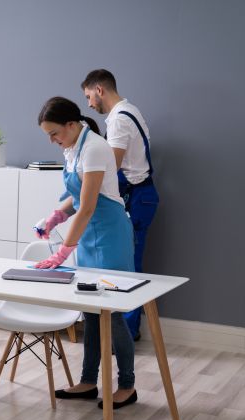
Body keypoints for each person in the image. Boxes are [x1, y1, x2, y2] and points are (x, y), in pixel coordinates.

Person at [35, 96, 137, 409]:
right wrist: (56, 216)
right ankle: (88, 381)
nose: (52, 140)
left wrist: (64, 250)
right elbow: (78, 196)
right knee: (91, 313)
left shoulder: (94, 147)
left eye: (54, 133)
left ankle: (128, 385)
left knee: (113, 315)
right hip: (90, 233)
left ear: (71, 124)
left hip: (110, 235)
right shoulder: (72, 148)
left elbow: (90, 205)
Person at [81, 69, 158, 341]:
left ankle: (125, 334)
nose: (89, 104)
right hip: (139, 195)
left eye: (89, 96)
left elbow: (109, 168)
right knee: (128, 264)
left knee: (128, 268)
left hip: (136, 197)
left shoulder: (119, 120)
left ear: (99, 90)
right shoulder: (130, 111)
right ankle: (123, 332)